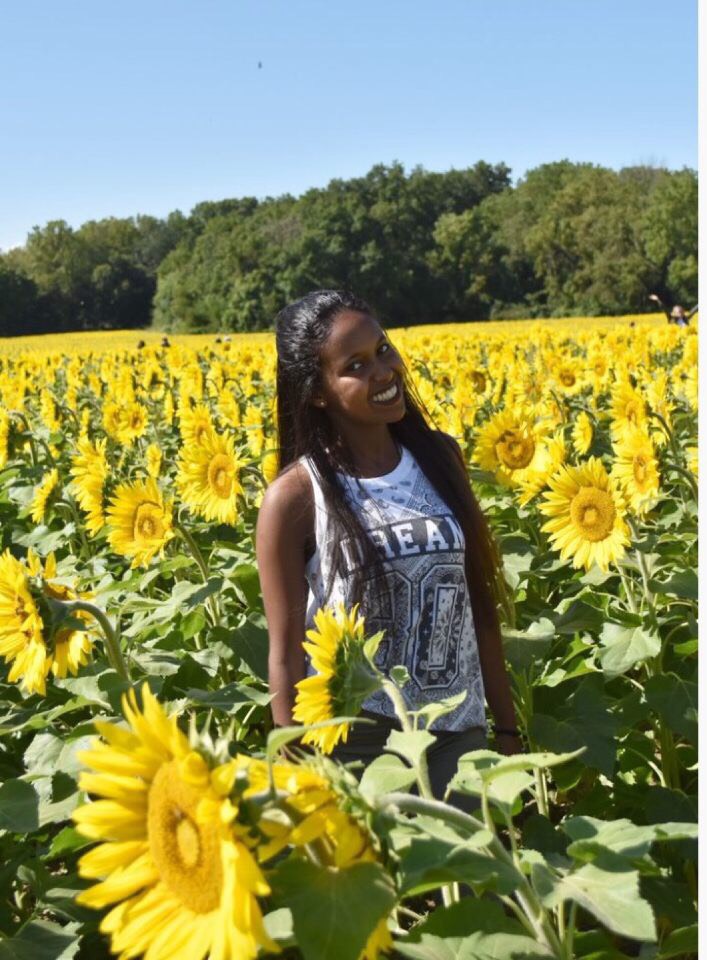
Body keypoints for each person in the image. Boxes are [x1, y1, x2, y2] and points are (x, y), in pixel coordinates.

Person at [255, 290, 522, 806]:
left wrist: (507, 733)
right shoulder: (295, 496)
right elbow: (285, 654)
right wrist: (300, 779)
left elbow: (478, 607)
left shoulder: (440, 457)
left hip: (458, 731)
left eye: (382, 349)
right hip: (357, 744)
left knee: (472, 881)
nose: (383, 370)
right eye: (355, 365)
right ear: (318, 393)